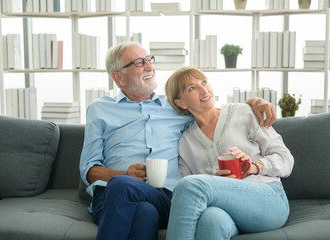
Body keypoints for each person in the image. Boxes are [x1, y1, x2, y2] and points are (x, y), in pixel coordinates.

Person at [79, 42, 277, 240]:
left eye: (149, 59)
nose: (149, 67)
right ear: (118, 77)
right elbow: (88, 168)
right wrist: (123, 174)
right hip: (112, 196)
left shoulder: (175, 105)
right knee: (142, 210)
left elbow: (213, 111)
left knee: (126, 188)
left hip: (165, 197)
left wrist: (254, 103)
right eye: (139, 63)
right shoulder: (99, 109)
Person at [164, 66, 294, 240]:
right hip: (224, 212)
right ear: (180, 103)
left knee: (190, 185)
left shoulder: (244, 113)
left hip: (268, 199)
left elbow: (286, 159)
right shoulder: (185, 142)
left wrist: (254, 167)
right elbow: (187, 199)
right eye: (192, 88)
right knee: (211, 220)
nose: (204, 90)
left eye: (204, 82)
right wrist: (217, 182)